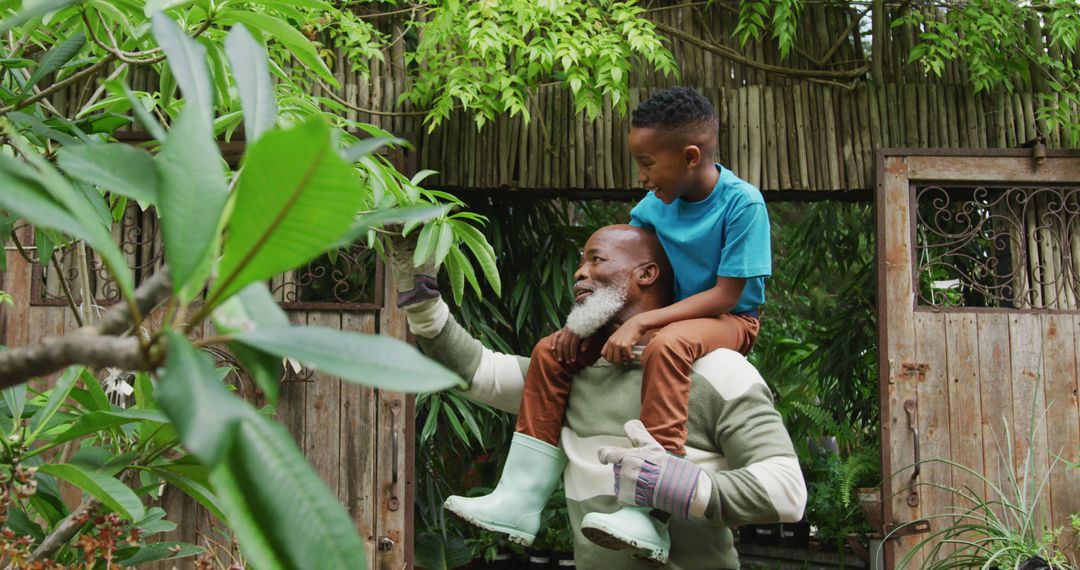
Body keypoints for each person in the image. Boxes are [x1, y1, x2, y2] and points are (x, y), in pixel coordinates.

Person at [445, 87, 772, 557]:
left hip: (728, 319)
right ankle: (519, 498)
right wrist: (588, 324)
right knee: (551, 350)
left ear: (690, 156)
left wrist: (641, 326)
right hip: (665, 320)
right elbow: (637, 276)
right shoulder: (650, 210)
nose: (641, 176)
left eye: (647, 163)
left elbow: (726, 294)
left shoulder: (742, 204)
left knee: (668, 346)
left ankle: (647, 509)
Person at [387, 225, 804, 568]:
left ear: (646, 274)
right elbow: (474, 371)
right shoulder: (566, 376)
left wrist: (679, 486)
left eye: (596, 259)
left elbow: (787, 492)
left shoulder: (719, 371)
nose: (578, 273)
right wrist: (419, 293)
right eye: (581, 262)